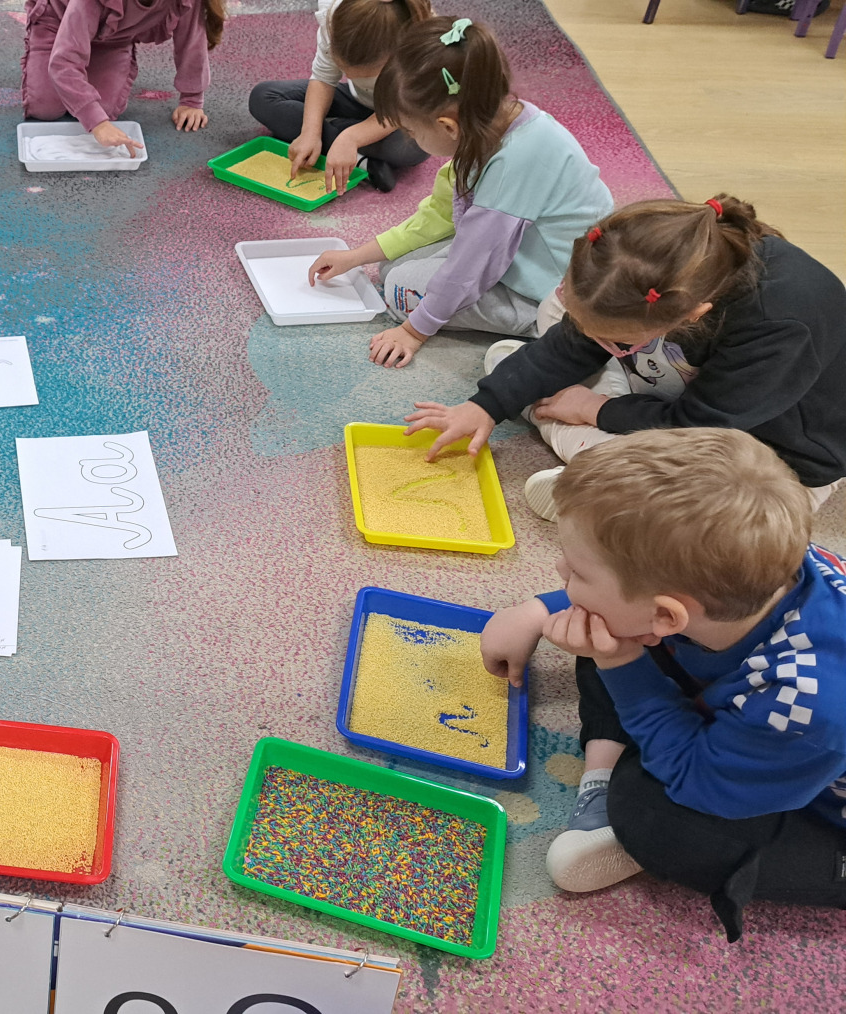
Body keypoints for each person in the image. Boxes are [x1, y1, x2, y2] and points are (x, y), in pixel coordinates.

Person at [478, 429, 846, 940]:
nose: (559, 568)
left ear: (668, 615)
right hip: (756, 733)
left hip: (820, 809)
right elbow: (632, 613)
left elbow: (701, 783)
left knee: (658, 821)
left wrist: (621, 662)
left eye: (576, 570)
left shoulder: (803, 703)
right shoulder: (759, 564)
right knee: (603, 630)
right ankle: (601, 777)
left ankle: (622, 791)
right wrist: (540, 609)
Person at [402, 195, 846, 521]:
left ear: (691, 314)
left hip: (779, 453)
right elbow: (575, 339)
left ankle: (600, 471)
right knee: (544, 330)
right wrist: (486, 404)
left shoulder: (780, 328)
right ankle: (593, 442)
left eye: (617, 339)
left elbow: (698, 428)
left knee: (717, 519)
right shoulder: (666, 268)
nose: (596, 338)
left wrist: (595, 409)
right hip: (699, 388)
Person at [306, 17, 611, 368]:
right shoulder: (492, 123)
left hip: (554, 291)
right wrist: (356, 256)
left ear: (448, 127)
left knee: (399, 289)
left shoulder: (514, 162)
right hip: (521, 256)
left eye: (410, 131)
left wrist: (415, 331)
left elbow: (473, 262)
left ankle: (543, 324)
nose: (409, 139)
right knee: (392, 268)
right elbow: (437, 218)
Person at [247, 0, 432, 193]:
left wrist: (351, 138)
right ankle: (361, 160)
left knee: (414, 147)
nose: (349, 76)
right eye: (344, 69)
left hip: (401, 113)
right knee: (264, 97)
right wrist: (310, 131)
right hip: (357, 101)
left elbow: (400, 110)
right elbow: (323, 78)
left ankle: (339, 138)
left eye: (366, 75)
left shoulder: (423, 42)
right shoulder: (335, 17)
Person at [21, 0, 225, 155]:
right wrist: (98, 124)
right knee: (45, 108)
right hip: (56, 22)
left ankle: (115, 55)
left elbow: (191, 39)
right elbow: (63, 63)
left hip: (113, 38)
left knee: (105, 110)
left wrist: (191, 99)